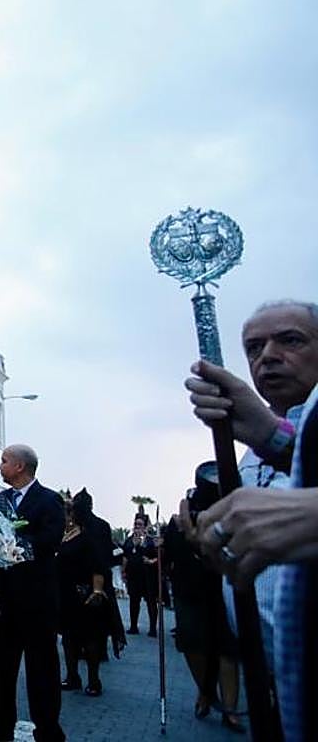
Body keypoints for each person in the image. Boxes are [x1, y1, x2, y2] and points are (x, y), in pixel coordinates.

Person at [184, 300, 318, 742]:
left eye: (291, 340)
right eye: (254, 348)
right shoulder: (258, 449)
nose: (269, 356)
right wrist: (266, 433)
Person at [0, 443, 66, 742]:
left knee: (42, 671)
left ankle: (47, 730)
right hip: (5, 601)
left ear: (20, 466)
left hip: (37, 603)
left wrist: (14, 544)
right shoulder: (0, 500)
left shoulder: (48, 500)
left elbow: (50, 540)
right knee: (2, 669)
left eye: (4, 461)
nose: (0, 466)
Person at [163, 478, 243, 732]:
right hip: (189, 590)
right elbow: (170, 557)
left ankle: (230, 709)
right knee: (191, 643)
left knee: (228, 649)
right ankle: (206, 691)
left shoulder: (233, 516)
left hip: (225, 588)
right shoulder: (180, 520)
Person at [57, 493, 109, 696]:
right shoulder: (61, 536)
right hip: (65, 594)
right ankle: (72, 676)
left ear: (71, 515)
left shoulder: (86, 537)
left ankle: (94, 680)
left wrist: (96, 590)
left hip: (83, 593)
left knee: (90, 639)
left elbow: (99, 566)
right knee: (68, 638)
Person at [70, 489, 126, 658]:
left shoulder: (92, 527)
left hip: (94, 580)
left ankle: (96, 653)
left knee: (96, 621)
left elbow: (103, 554)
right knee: (91, 622)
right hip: (84, 579)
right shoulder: (83, 526)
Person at [122, 516, 158, 636]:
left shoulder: (150, 541)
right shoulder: (128, 540)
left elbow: (158, 557)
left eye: (140, 524)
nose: (137, 527)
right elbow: (125, 556)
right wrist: (123, 571)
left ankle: (153, 628)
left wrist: (151, 561)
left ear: (145, 526)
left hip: (148, 576)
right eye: (136, 524)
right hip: (133, 575)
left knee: (151, 602)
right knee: (134, 601)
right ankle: (133, 626)